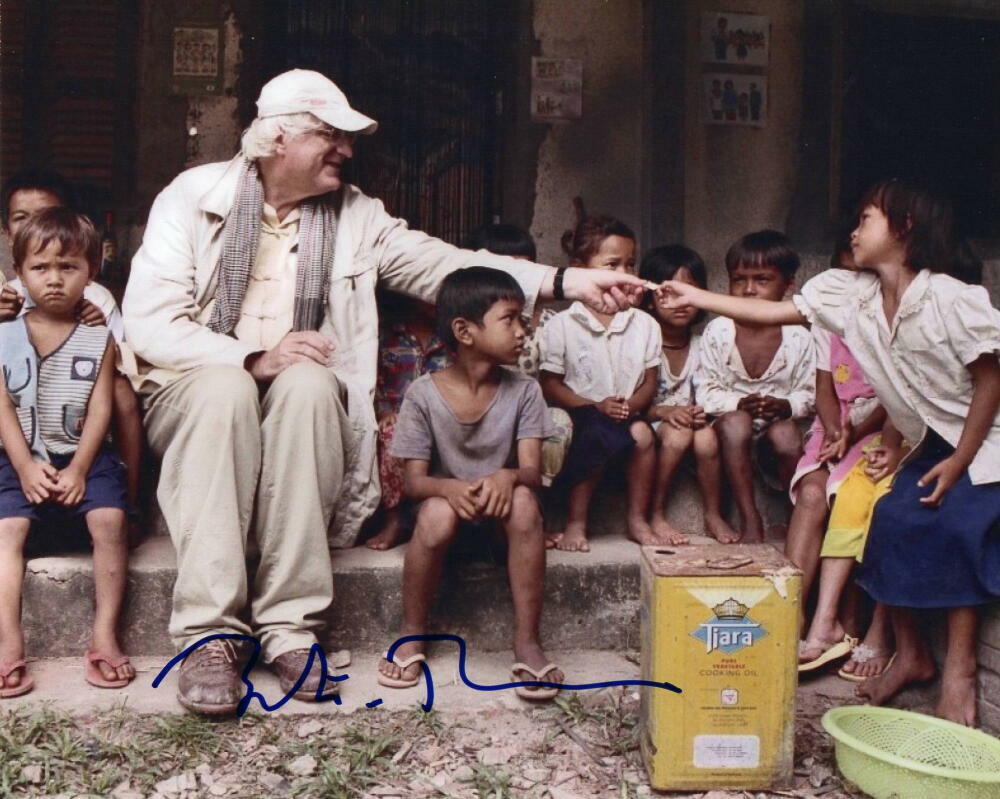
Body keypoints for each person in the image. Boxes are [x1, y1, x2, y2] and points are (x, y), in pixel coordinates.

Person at [122, 69, 644, 715]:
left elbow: (443, 263)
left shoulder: (357, 215)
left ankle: (290, 627)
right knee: (226, 387)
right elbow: (148, 322)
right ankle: (211, 635)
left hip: (298, 400)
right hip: (197, 389)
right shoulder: (192, 195)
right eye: (330, 136)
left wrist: (566, 281)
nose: (346, 150)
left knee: (312, 382)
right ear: (278, 138)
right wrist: (250, 357)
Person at [659, 179, 1000, 727]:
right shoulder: (851, 293)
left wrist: (959, 460)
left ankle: (958, 670)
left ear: (906, 227)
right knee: (889, 518)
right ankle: (911, 654)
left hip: (986, 442)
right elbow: (774, 312)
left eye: (866, 219)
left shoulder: (952, 299)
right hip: (931, 439)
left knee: (955, 522)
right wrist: (695, 297)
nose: (854, 230)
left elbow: (990, 382)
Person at [377, 267, 562, 698]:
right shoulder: (423, 394)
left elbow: (532, 474)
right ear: (464, 331)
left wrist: (508, 474)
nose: (522, 332)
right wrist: (450, 488)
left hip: (502, 525)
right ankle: (411, 632)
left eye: (523, 321)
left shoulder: (525, 391)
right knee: (438, 513)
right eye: (510, 319)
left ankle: (528, 642)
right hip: (445, 520)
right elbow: (415, 483)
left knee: (523, 503)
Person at [0, 208, 134, 698]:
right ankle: (8, 642)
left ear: (91, 273)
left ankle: (104, 634)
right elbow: (3, 410)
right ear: (19, 273)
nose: (54, 280)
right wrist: (22, 465)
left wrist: (79, 467)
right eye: (40, 268)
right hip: (19, 454)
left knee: (110, 522)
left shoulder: (100, 338)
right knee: (6, 529)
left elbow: (101, 410)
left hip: (83, 454)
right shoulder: (3, 334)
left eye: (69, 267)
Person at [1, 169, 145, 541]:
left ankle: (126, 502)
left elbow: (115, 359)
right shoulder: (6, 289)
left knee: (123, 395)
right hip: (15, 412)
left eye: (47, 214)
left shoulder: (92, 295)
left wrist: (93, 327)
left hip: (71, 412)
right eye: (22, 218)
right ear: (6, 230)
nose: (38, 225)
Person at [788, 234, 890, 674]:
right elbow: (824, 388)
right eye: (846, 274)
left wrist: (855, 432)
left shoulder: (890, 321)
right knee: (813, 494)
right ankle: (789, 616)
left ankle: (840, 622)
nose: (855, 284)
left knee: (854, 493)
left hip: (877, 428)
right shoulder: (828, 323)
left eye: (864, 275)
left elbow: (894, 398)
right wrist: (834, 430)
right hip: (835, 426)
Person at [540, 215, 661, 551]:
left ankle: (637, 519)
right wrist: (594, 405)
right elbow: (550, 384)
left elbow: (650, 382)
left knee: (643, 436)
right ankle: (576, 521)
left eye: (630, 264)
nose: (625, 274)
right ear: (580, 269)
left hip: (627, 415)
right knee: (594, 431)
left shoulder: (645, 324)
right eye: (612, 264)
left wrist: (629, 407)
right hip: (584, 415)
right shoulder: (561, 325)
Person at [696, 231, 815, 543]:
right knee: (737, 423)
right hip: (732, 429)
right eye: (739, 280)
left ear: (788, 285)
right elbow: (705, 391)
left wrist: (786, 406)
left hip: (783, 428)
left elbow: (812, 391)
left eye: (762, 280)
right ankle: (750, 518)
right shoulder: (719, 331)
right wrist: (738, 404)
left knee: (785, 433)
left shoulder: (799, 336)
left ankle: (796, 516)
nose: (749, 290)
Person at [640, 245, 738, 545]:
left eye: (690, 290)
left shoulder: (705, 342)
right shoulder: (641, 341)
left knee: (706, 438)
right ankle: (654, 513)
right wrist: (664, 412)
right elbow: (629, 404)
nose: (680, 302)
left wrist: (700, 411)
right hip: (653, 422)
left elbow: (716, 390)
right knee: (679, 435)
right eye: (667, 292)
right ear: (649, 298)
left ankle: (713, 514)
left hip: (696, 423)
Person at [367, 291, 450, 551]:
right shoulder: (386, 336)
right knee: (394, 430)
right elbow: (373, 381)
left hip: (441, 419)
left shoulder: (453, 340)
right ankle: (395, 519)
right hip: (396, 416)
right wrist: (383, 412)